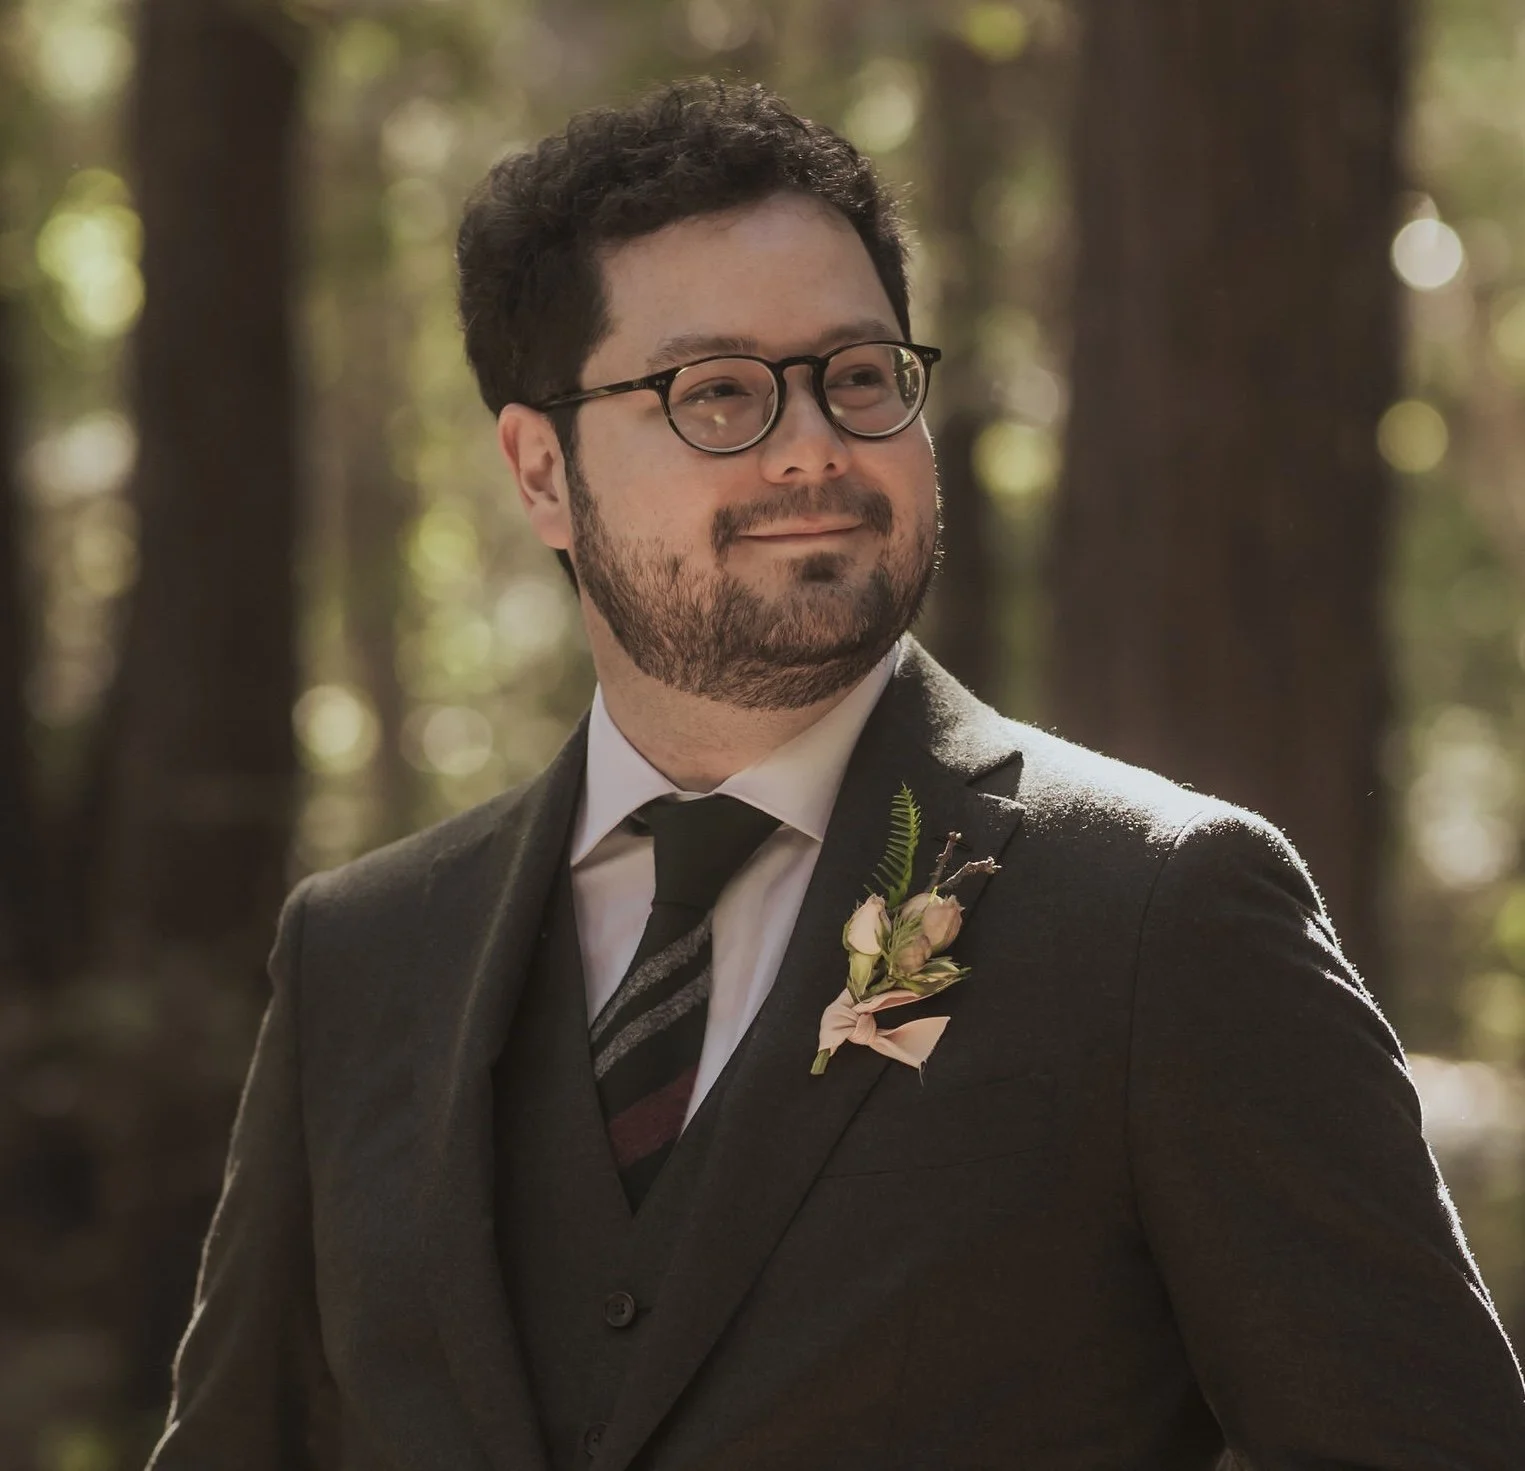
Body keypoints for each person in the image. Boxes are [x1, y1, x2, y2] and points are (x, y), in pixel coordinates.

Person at [148, 78, 1525, 1471]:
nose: (814, 443)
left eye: (859, 375)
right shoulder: (361, 956)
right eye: (719, 392)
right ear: (541, 468)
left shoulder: (1167, 914)